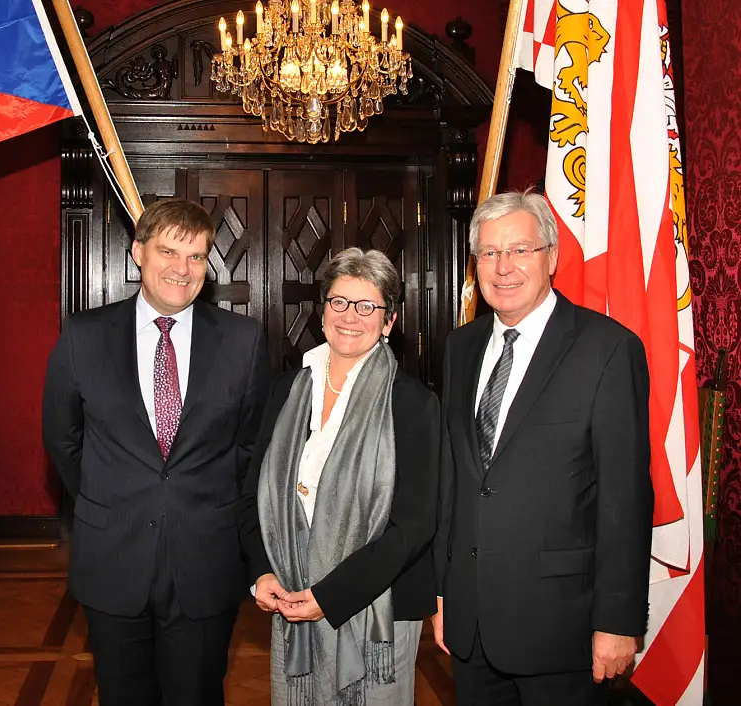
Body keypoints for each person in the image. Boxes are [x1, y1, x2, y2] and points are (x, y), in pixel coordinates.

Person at [42, 198, 270, 706]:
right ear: (137, 252)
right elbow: (63, 440)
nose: (181, 269)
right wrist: (112, 498)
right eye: (168, 251)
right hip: (113, 556)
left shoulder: (243, 341)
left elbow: (250, 447)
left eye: (195, 256)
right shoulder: (83, 336)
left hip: (205, 559)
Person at [432, 190, 654, 706]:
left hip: (563, 632)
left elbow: (625, 499)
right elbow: (455, 484)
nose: (502, 267)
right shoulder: (460, 349)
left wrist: (618, 622)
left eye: (519, 250)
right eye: (488, 253)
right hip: (471, 627)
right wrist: (444, 593)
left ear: (551, 257)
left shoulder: (608, 350)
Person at [239, 247, 440, 705]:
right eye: (340, 302)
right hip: (292, 593)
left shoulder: (412, 403)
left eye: (368, 305)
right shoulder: (289, 388)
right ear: (322, 310)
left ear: (389, 322)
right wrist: (262, 571)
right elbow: (253, 492)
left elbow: (413, 526)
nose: (351, 316)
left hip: (378, 610)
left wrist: (329, 596)